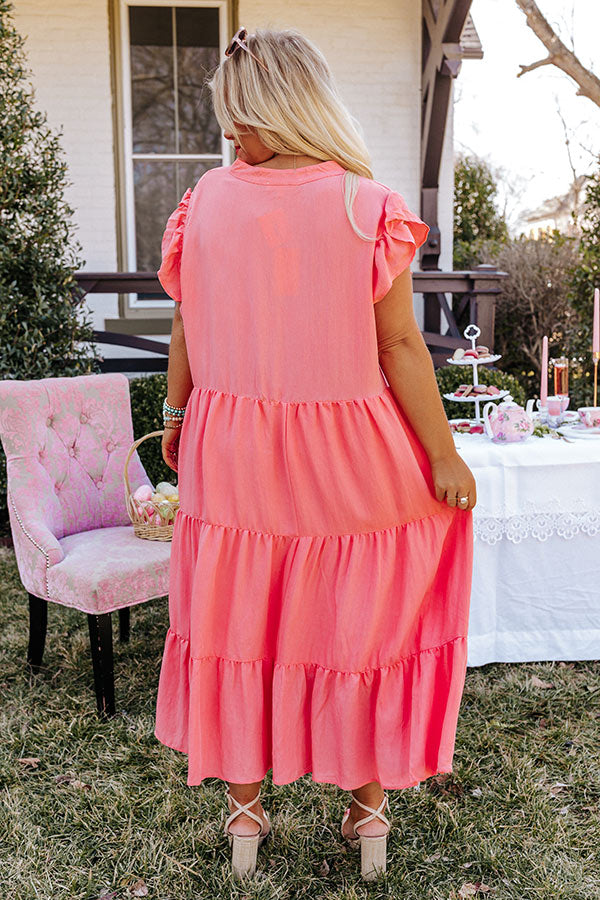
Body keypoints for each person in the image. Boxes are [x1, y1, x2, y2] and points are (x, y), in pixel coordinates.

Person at [154, 25, 476, 882]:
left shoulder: (205, 201)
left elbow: (187, 323)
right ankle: (364, 818)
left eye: (241, 116)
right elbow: (399, 346)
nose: (230, 133)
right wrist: (442, 456)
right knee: (356, 617)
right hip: (346, 453)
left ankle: (251, 820)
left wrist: (178, 414)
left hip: (234, 450)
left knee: (237, 618)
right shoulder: (365, 204)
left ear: (282, 109)